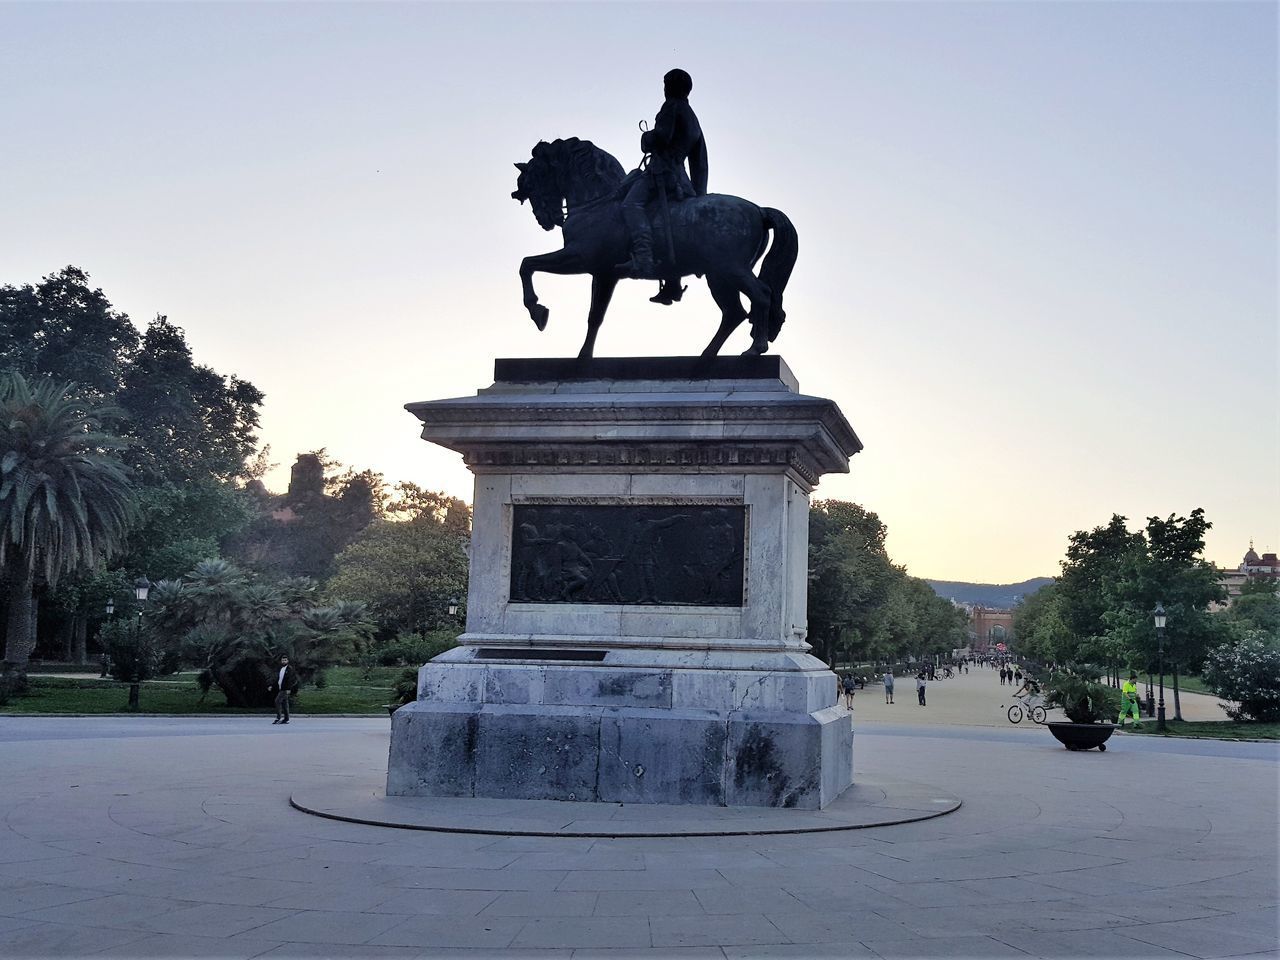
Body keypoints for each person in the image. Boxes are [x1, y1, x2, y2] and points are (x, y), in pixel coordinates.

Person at [618, 68, 709, 304]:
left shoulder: (671, 106)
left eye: (666, 83)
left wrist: (646, 138)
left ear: (672, 86)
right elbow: (700, 162)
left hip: (663, 175)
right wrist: (700, 194)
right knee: (667, 221)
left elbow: (662, 137)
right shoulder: (693, 118)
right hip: (683, 181)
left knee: (631, 204)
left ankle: (644, 256)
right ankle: (672, 283)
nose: (664, 87)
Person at [269, 655, 300, 724]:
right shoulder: (281, 669)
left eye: (285, 660)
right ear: (281, 661)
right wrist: (272, 686)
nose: (284, 661)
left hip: (285, 689)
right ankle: (286, 719)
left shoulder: (289, 669)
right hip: (281, 688)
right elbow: (278, 679)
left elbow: (290, 680)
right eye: (283, 660)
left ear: (287, 661)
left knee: (277, 701)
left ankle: (278, 718)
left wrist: (289, 689)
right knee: (285, 704)